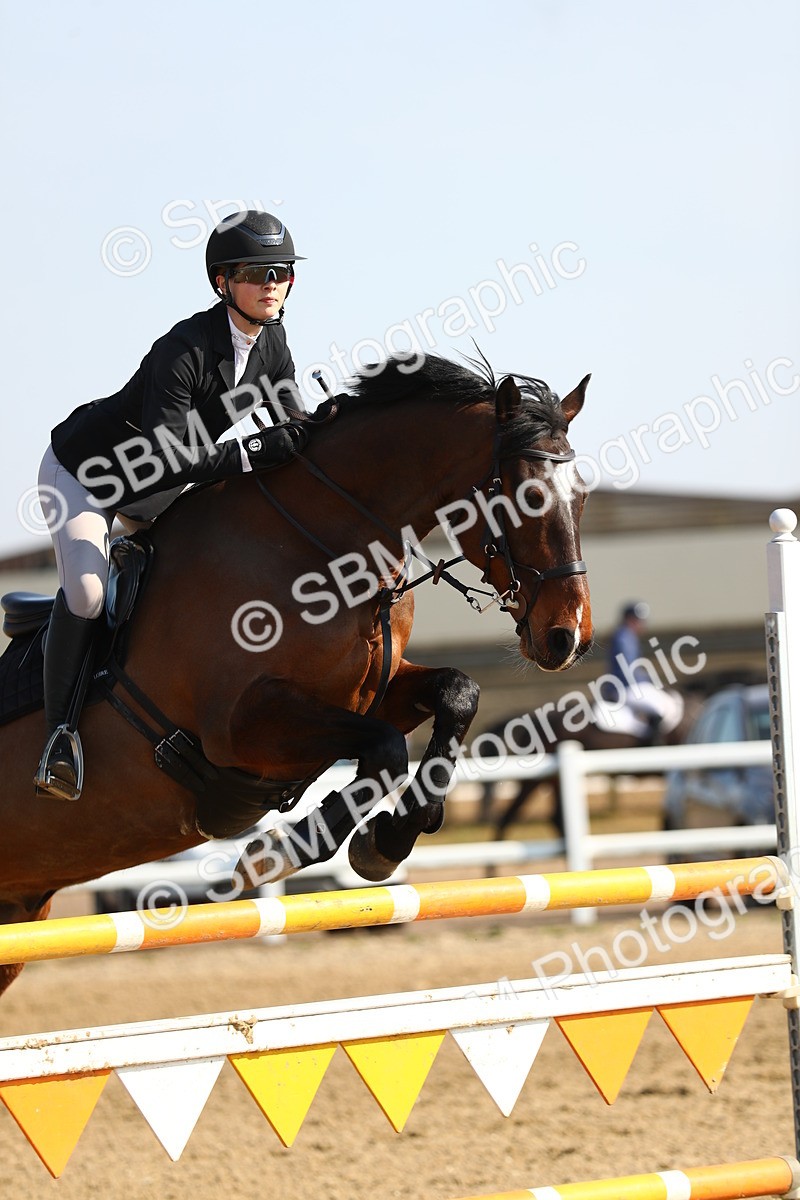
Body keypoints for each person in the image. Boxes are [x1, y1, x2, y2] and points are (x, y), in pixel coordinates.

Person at [34, 210, 310, 801]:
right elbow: (169, 455)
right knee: (86, 593)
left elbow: (297, 427)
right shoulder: (184, 348)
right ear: (222, 282)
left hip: (155, 494)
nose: (272, 283)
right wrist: (252, 451)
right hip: (85, 474)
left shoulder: (274, 345)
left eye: (282, 272)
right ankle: (58, 737)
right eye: (257, 272)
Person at [597, 601, 683, 737]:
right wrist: (648, 681)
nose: (641, 625)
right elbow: (628, 668)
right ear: (628, 619)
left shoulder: (628, 636)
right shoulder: (623, 637)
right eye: (637, 620)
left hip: (630, 684)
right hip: (624, 687)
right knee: (659, 709)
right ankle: (652, 743)